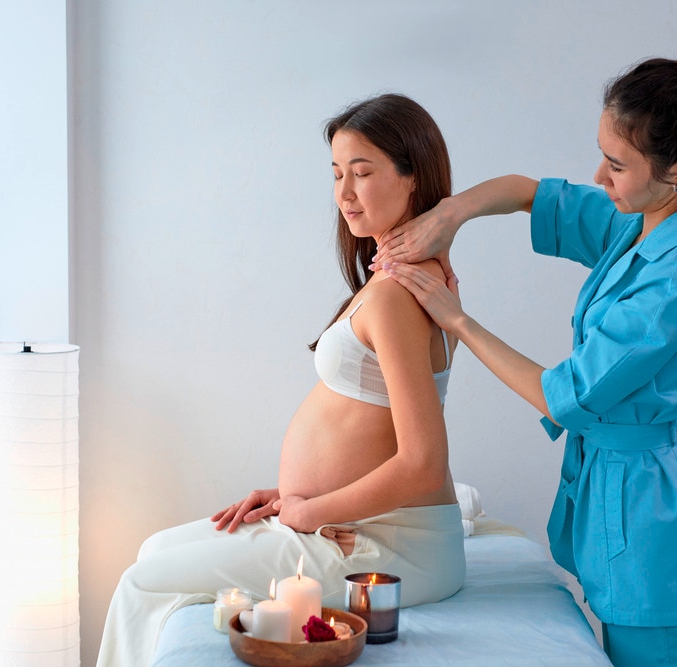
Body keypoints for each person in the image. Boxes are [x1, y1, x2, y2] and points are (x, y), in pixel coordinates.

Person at [375, 21, 677, 667]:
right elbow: (531, 193)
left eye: (618, 164)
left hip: (658, 537)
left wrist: (458, 320)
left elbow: (564, 395)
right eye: (602, 152)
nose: (599, 175)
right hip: (619, 503)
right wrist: (452, 212)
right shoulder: (646, 220)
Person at [96, 93, 464, 666]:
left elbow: (423, 462)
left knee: (144, 580)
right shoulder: (404, 281)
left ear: (413, 179)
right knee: (152, 550)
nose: (343, 193)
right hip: (361, 523)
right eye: (337, 174)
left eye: (362, 174)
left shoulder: (397, 295)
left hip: (388, 547)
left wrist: (312, 513)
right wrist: (303, 496)